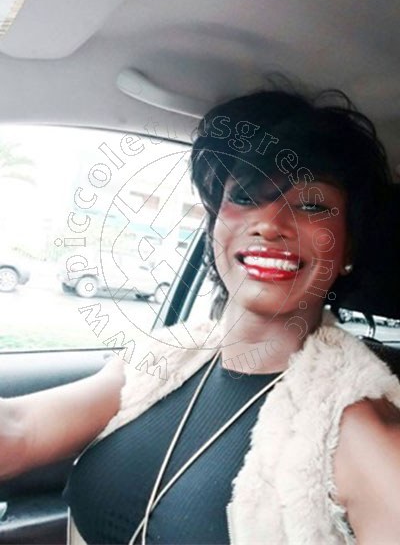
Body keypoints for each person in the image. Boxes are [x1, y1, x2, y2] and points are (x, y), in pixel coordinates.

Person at [1, 85, 400, 545]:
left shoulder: (358, 429)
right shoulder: (163, 361)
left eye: (310, 204)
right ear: (214, 225)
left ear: (348, 247)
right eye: (245, 196)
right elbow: (20, 430)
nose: (269, 223)